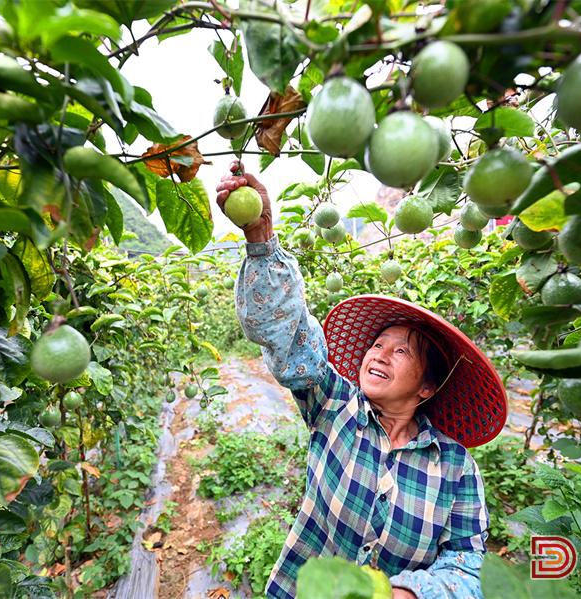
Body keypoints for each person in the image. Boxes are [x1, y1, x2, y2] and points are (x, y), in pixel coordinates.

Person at [215, 162, 508, 599]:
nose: (379, 353)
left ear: (427, 388)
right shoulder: (334, 406)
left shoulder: (455, 469)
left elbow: (469, 564)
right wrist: (260, 238)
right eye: (377, 344)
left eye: (401, 350)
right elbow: (287, 333)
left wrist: (408, 593)